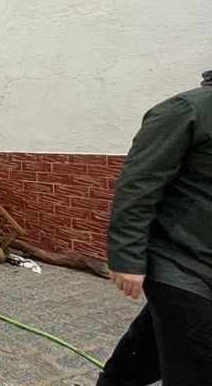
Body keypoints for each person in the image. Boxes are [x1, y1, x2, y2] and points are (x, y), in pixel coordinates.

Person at [96, 70, 212, 386]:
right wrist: (126, 257)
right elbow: (138, 186)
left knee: (147, 348)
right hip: (180, 263)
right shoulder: (188, 110)